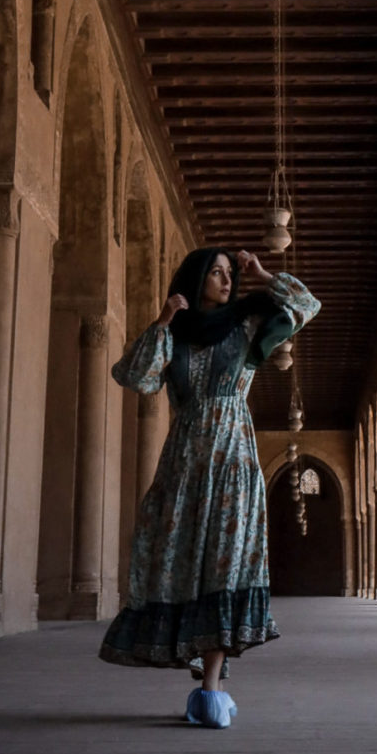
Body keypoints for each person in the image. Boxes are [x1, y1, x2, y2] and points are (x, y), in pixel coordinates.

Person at [99, 247, 320, 728]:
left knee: (224, 567)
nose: (225, 280)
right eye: (215, 273)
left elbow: (305, 306)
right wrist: (162, 319)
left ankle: (211, 689)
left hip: (234, 466)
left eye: (228, 274)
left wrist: (263, 275)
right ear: (195, 278)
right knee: (182, 567)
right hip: (182, 467)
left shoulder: (247, 326)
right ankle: (204, 676)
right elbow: (133, 376)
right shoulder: (174, 336)